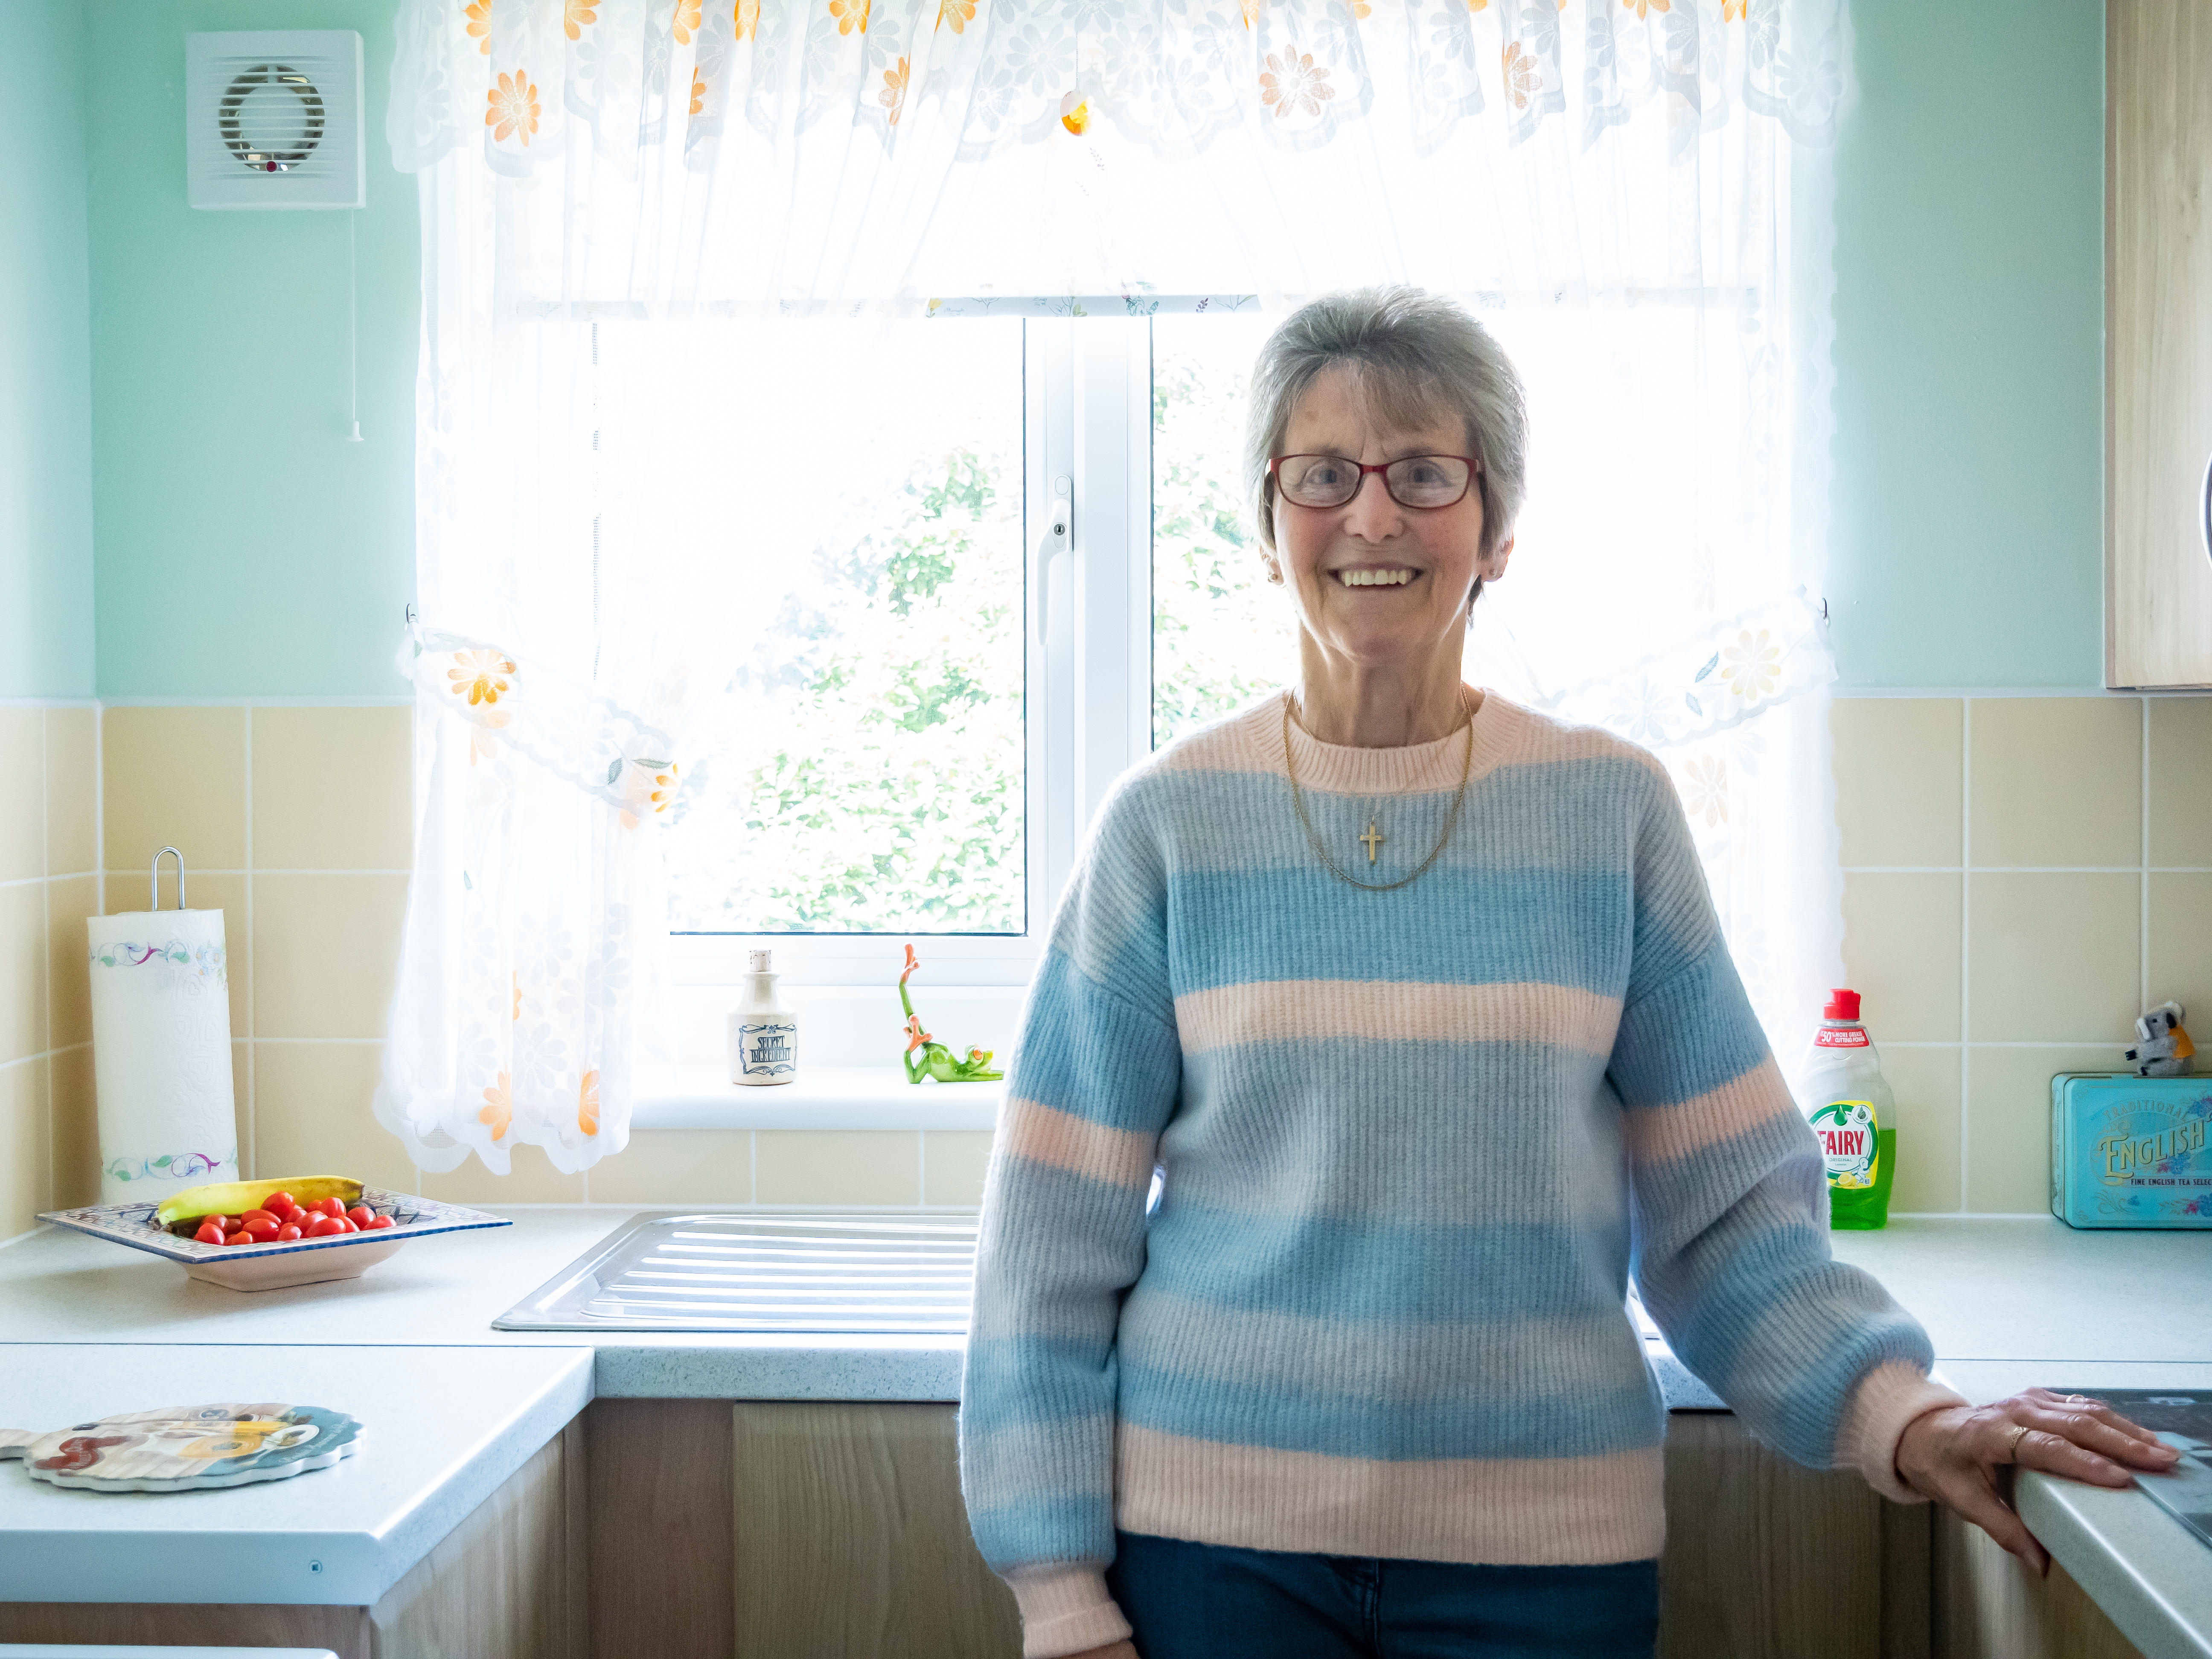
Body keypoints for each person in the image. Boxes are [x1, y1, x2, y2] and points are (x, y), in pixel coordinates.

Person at [956, 286, 2177, 1659]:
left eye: (1426, 473)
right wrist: (1059, 1594)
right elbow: (1050, 1251)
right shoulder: (1165, 826)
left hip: (1541, 1565)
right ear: (1265, 522)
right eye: (1321, 475)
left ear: (1499, 529)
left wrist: (1912, 1414)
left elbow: (1725, 1224)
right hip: (1212, 1555)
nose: (1372, 517)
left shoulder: (1612, 813)